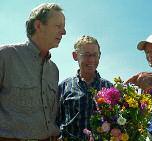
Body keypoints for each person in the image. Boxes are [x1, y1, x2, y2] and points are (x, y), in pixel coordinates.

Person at [0, 3, 66, 141]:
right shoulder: (5, 56)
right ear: (38, 25)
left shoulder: (54, 70)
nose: (64, 32)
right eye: (58, 26)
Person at [57, 35, 112, 141]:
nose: (91, 59)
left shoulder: (109, 88)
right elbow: (56, 121)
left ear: (99, 56)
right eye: (86, 55)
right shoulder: (64, 87)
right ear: (75, 56)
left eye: (95, 55)